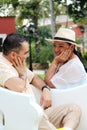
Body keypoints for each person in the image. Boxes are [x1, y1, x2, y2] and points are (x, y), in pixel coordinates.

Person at [0, 33, 81, 130]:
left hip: (36, 112)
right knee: (39, 117)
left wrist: (45, 89)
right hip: (22, 117)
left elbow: (34, 77)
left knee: (73, 109)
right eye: (25, 53)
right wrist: (23, 74)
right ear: (13, 55)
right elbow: (18, 87)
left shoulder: (16, 63)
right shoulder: (2, 66)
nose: (28, 55)